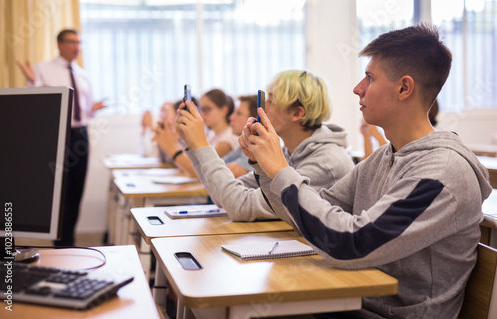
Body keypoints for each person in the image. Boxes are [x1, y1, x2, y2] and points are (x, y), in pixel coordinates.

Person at [240, 24, 492, 318]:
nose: (358, 88)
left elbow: (349, 244)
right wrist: (264, 167)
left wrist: (282, 170)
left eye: (370, 78)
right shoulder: (387, 155)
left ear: (404, 88)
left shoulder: (441, 173)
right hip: (357, 301)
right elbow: (312, 217)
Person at [175, 69, 355, 222]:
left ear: (296, 113)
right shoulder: (289, 153)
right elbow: (223, 196)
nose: (262, 108)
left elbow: (240, 206)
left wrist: (202, 145)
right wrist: (193, 146)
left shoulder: (326, 163)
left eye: (271, 100)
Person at [16, 29, 107, 247]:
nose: (77, 47)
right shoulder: (43, 69)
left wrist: (94, 108)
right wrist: (32, 82)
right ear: (59, 44)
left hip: (80, 136)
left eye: (79, 42)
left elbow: (86, 111)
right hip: (57, 135)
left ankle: (68, 242)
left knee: (76, 191)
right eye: (72, 42)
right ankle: (58, 242)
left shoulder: (83, 74)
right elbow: (38, 102)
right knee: (58, 194)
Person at [153, 88, 238, 177]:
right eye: (201, 109)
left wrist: (172, 149)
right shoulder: (212, 135)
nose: (202, 114)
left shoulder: (228, 138)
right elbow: (194, 164)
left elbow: (201, 170)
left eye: (207, 109)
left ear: (223, 110)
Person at [360, 99, 439, 160]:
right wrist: (367, 136)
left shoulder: (425, 139)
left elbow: (393, 161)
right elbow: (368, 168)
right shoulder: (400, 133)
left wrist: (377, 136)